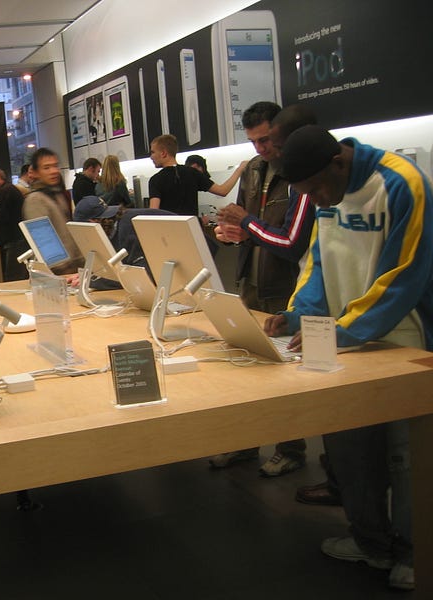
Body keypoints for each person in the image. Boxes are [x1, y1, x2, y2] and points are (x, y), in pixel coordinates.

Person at [264, 124, 433, 591]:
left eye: (317, 189)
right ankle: (372, 543)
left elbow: (405, 272)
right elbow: (318, 262)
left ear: (338, 162)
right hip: (344, 337)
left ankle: (415, 553)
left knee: (405, 456)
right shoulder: (325, 196)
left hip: (404, 338)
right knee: (350, 450)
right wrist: (298, 315)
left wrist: (346, 330)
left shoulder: (402, 183)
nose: (316, 201)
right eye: (306, 194)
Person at [209, 102, 317, 476]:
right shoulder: (253, 171)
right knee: (245, 366)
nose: (260, 148)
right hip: (249, 279)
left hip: (283, 286)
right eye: (254, 141)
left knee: (284, 375)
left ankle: (291, 448)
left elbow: (292, 242)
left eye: (266, 139)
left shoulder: (299, 172)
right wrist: (228, 234)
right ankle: (246, 442)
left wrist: (247, 224)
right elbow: (244, 225)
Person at [148, 134, 246, 215]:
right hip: (193, 229)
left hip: (169, 232)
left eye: (153, 152)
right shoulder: (193, 173)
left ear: (163, 153)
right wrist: (239, 169)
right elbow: (223, 190)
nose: (151, 157)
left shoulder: (155, 180)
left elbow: (154, 213)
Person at [22, 148, 82, 274]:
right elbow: (44, 240)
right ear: (36, 172)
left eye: (55, 166)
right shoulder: (35, 200)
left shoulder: (56, 194)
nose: (53, 171)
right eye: (47, 168)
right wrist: (62, 270)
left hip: (72, 268)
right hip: (58, 271)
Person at [0, 167, 30, 281]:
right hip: (17, 240)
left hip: (15, 241)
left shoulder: (6, 191)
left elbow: (2, 219)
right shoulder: (8, 190)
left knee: (14, 277)